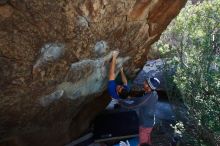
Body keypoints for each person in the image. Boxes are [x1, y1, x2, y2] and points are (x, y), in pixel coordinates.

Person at [138, 77, 160, 146]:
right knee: (148, 139)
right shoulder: (154, 93)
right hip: (150, 122)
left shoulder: (146, 98)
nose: (144, 82)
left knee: (143, 143)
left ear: (149, 86)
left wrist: (120, 101)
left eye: (146, 82)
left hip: (145, 124)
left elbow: (133, 105)